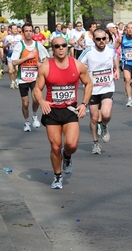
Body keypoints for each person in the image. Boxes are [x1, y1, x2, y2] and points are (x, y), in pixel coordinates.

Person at [33, 36, 92, 189]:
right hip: (51, 111)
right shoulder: (46, 67)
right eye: (57, 46)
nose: (60, 48)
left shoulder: (77, 65)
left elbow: (88, 83)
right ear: (52, 49)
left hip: (70, 110)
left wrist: (84, 104)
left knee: (71, 145)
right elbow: (37, 89)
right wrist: (41, 101)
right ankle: (57, 176)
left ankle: (67, 156)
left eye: (63, 45)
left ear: (67, 47)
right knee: (55, 146)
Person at [79, 28, 120, 154]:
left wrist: (117, 69)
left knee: (106, 114)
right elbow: (77, 64)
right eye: (98, 39)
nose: (101, 41)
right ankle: (95, 143)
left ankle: (104, 125)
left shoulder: (111, 49)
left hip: (107, 87)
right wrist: (83, 69)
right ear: (93, 39)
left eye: (104, 38)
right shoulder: (88, 51)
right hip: (92, 89)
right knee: (94, 118)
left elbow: (115, 58)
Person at [12, 23, 50, 132]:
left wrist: (40, 64)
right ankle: (26, 122)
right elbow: (14, 62)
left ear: (33, 32)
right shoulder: (20, 45)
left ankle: (34, 115)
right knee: (25, 102)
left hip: (35, 77)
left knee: (36, 99)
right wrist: (27, 57)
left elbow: (46, 59)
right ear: (23, 33)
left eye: (30, 31)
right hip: (22, 78)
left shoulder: (38, 45)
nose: (28, 33)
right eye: (26, 31)